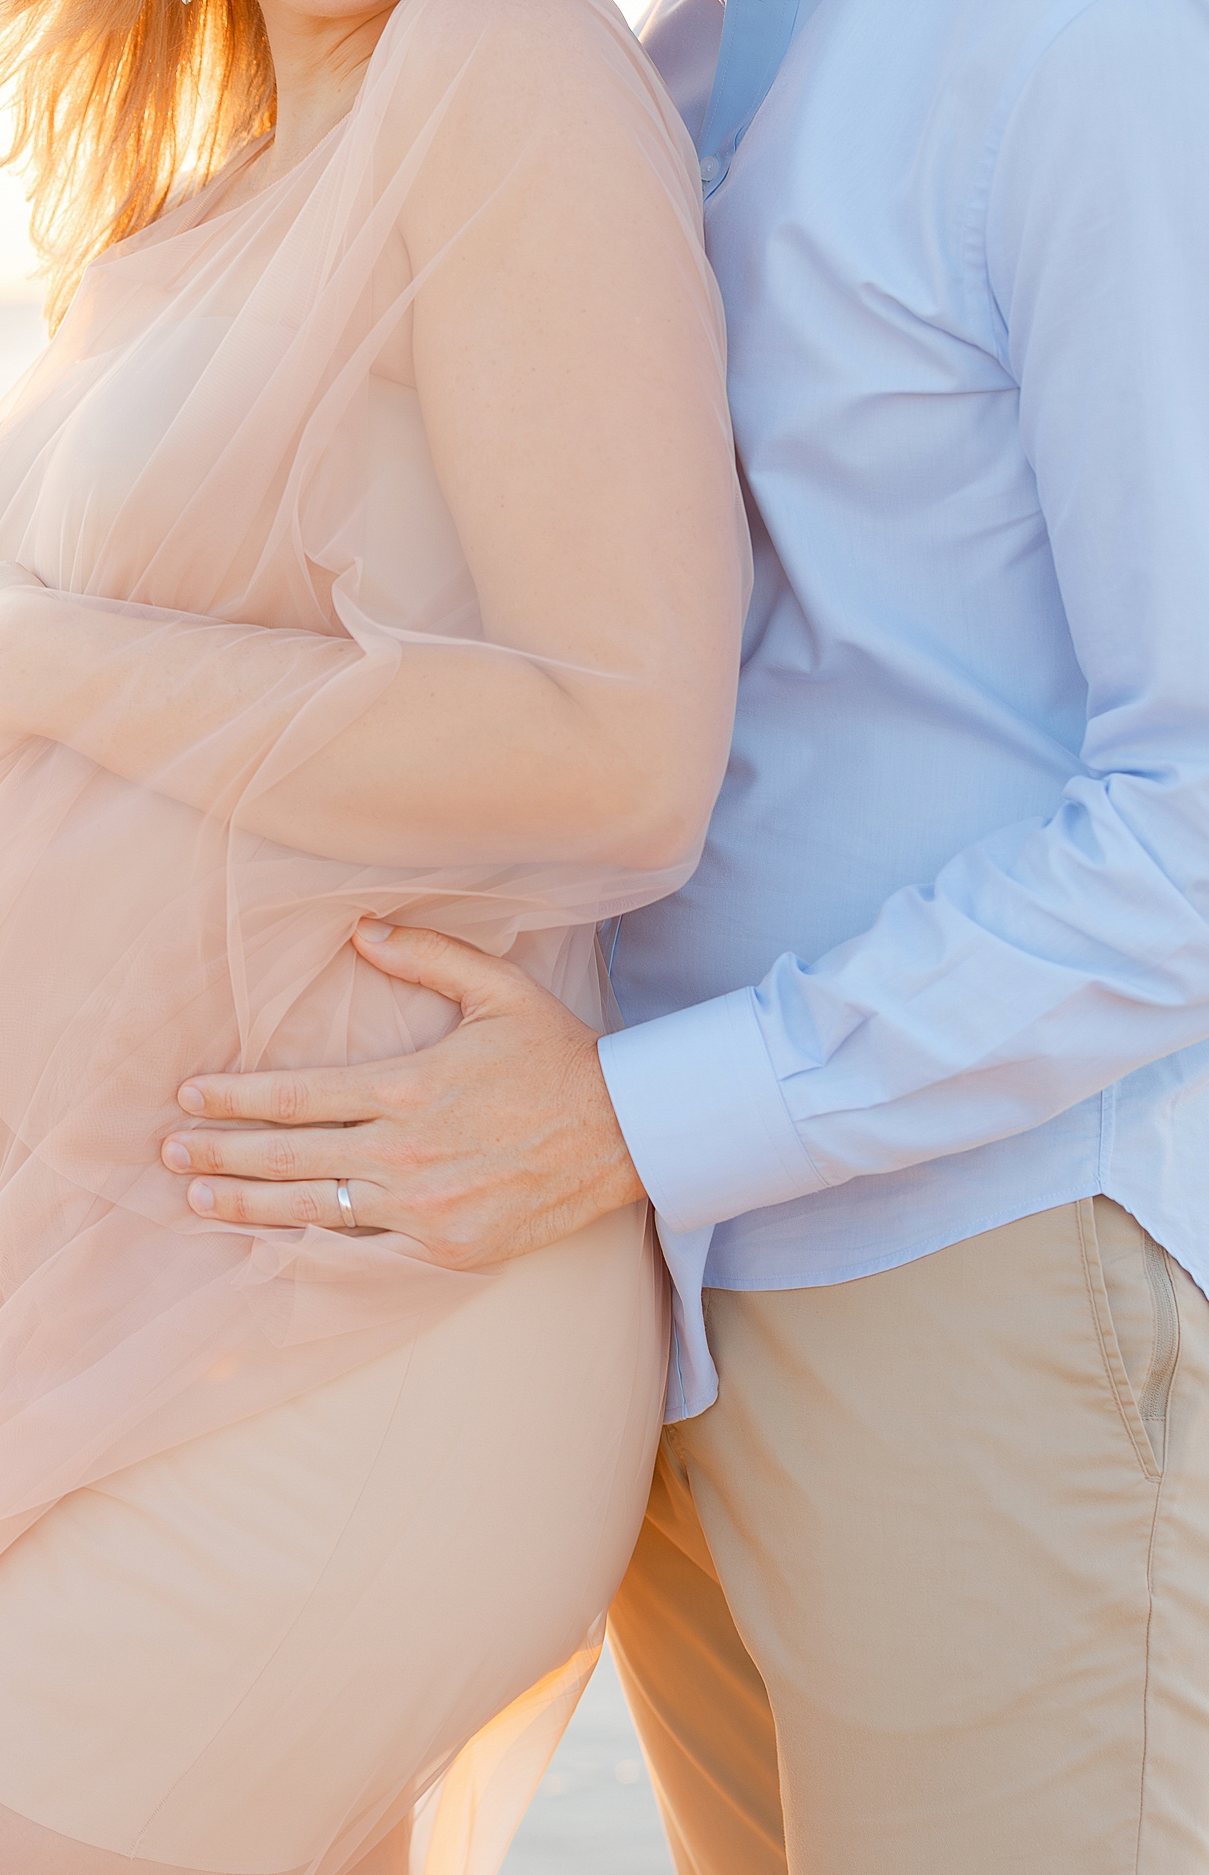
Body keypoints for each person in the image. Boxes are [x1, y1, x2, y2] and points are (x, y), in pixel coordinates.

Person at [0, 1, 749, 1870]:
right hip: (95, 1322)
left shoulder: (498, 58)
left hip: (348, 1330)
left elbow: (617, 744)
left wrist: (25, 654)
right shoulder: (216, 159)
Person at [156, 0, 1209, 1867]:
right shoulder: (646, 66)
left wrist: (642, 1121)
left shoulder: (1091, 48)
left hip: (994, 1269)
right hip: (654, 1281)